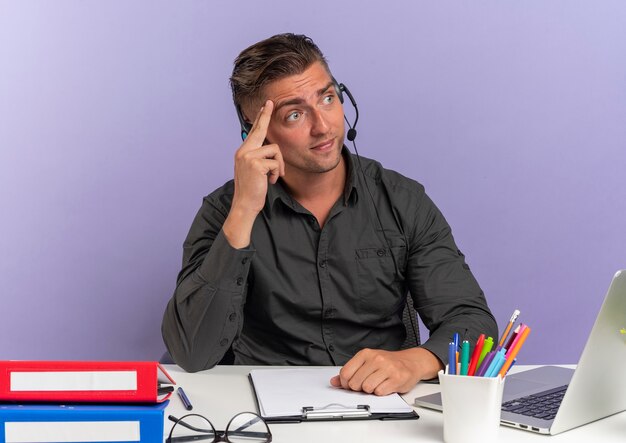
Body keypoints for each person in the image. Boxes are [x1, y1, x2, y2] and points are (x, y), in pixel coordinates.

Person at [162, 33, 498, 396]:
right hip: (261, 408)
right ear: (254, 132)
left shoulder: (401, 200)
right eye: (294, 114)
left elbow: (473, 322)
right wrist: (244, 210)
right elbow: (191, 352)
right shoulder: (223, 212)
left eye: (327, 98)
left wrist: (414, 362)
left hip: (381, 406)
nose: (322, 126)